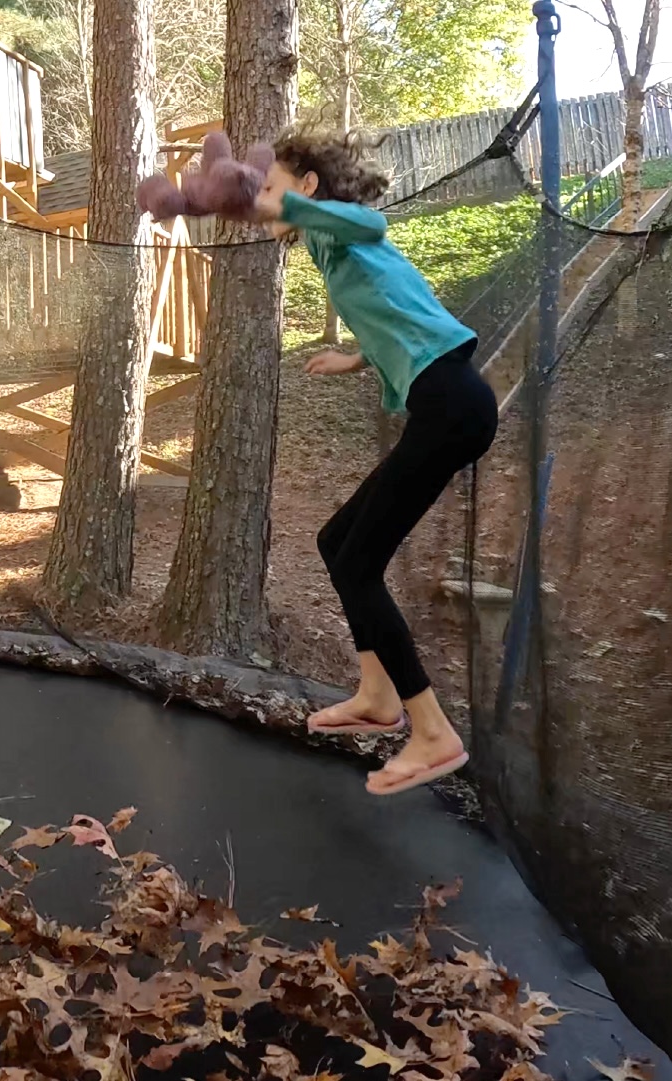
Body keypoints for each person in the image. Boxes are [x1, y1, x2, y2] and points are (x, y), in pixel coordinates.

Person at [252, 129, 498, 796]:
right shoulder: (332, 257)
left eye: (271, 187)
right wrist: (356, 356)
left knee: (358, 563)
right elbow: (404, 311)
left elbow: (370, 219)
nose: (260, 202)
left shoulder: (346, 231)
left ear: (306, 187)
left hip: (452, 405)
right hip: (445, 404)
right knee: (336, 542)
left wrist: (289, 207)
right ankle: (375, 692)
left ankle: (429, 730)